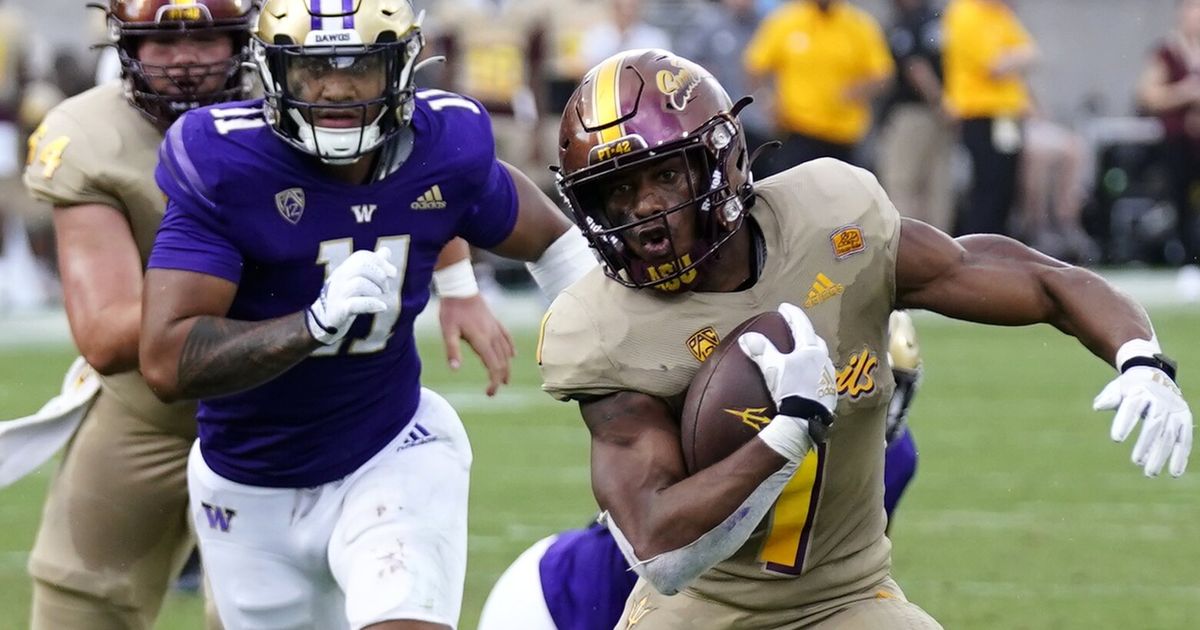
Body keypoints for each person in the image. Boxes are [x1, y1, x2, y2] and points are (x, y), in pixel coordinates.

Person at [538, 49, 1192, 629]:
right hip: (699, 612)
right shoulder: (602, 325)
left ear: (725, 159)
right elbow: (664, 552)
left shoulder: (832, 219)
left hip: (847, 601)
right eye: (617, 192)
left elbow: (1038, 280)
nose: (644, 211)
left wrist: (1138, 355)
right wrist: (785, 434)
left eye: (664, 177)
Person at [20, 2, 520, 628]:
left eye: (208, 39)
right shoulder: (90, 133)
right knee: (82, 598)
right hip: (148, 412)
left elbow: (410, 181)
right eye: (162, 43)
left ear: (247, 42)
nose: (186, 63)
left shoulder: (310, 83)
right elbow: (106, 334)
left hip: (303, 409)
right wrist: (253, 308)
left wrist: (456, 280)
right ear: (125, 44)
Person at [136, 0, 596, 627]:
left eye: (361, 68)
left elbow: (556, 243)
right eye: (312, 70)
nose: (335, 90)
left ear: (402, 69)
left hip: (391, 448)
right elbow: (167, 359)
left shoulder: (446, 144)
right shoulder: (225, 163)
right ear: (272, 73)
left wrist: (618, 366)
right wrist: (312, 325)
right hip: (245, 480)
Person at [477, 312, 924, 630]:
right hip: (559, 601)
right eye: (853, 379)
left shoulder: (897, 458)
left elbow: (844, 572)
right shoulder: (740, 422)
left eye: (886, 384)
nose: (873, 396)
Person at [743, 0, 894, 175]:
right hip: (798, 132)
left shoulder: (858, 24)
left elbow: (883, 74)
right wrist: (767, 100)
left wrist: (858, 90)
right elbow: (754, 66)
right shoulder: (787, 20)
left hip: (844, 136)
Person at [943, 0, 1038, 236]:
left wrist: (1013, 58)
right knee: (988, 184)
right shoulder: (965, 13)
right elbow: (994, 66)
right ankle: (979, 243)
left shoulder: (999, 14)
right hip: (980, 114)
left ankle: (1000, 241)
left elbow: (1032, 52)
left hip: (1006, 116)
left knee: (1006, 185)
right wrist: (1016, 57)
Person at [1136, 0, 1200, 293]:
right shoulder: (1168, 52)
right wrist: (1184, 94)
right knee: (1182, 200)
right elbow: (1149, 96)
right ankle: (1189, 261)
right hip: (1179, 142)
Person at [877, 0, 956, 234]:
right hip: (942, 115)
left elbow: (916, 67)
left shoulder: (909, 22)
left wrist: (938, 100)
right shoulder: (941, 19)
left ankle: (907, 246)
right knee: (936, 185)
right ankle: (940, 248)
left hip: (912, 114)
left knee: (903, 183)